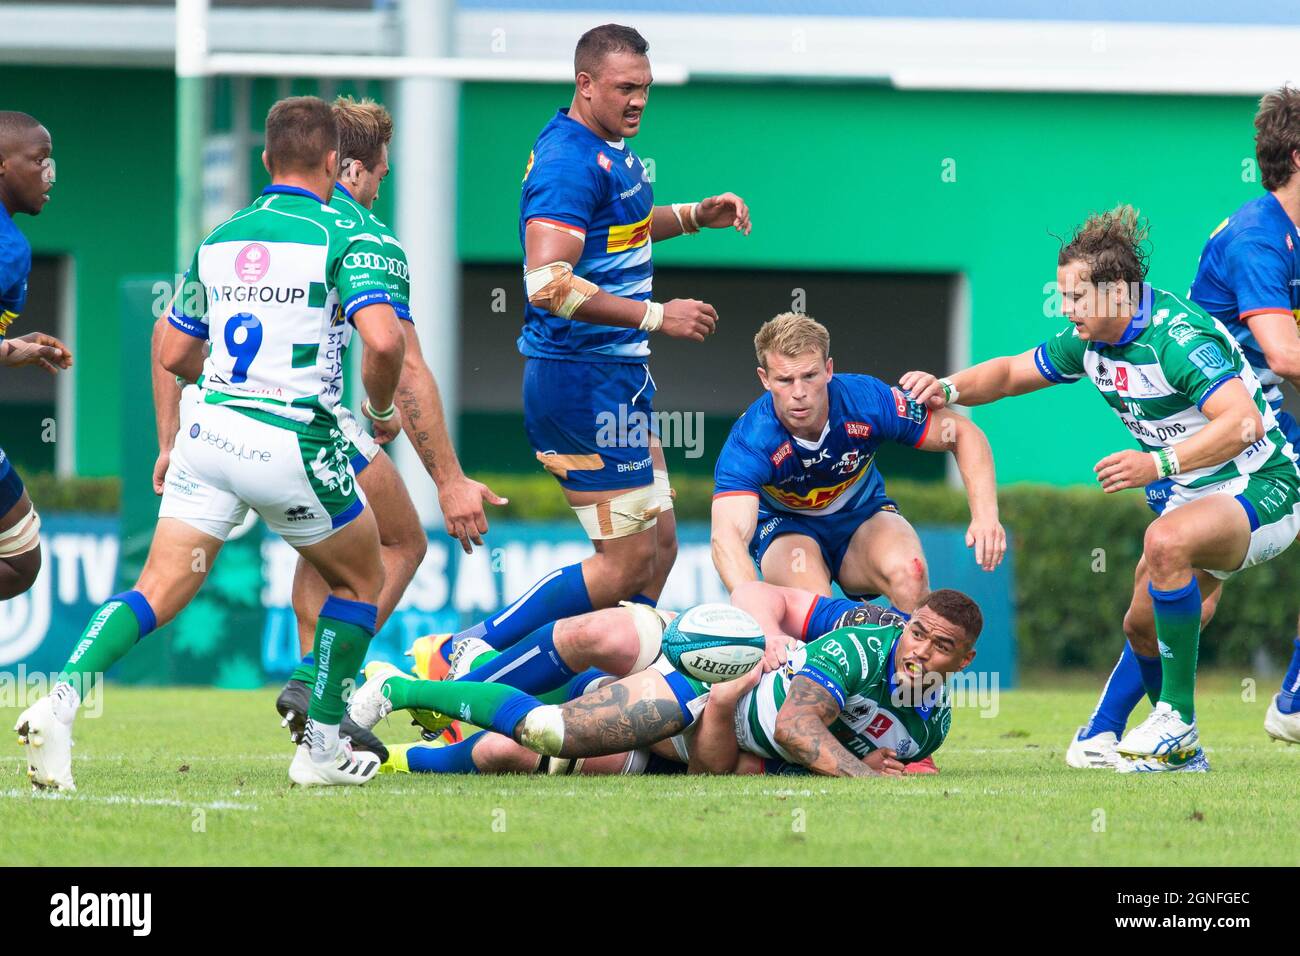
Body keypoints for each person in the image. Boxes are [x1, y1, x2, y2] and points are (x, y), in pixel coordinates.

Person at [16, 96, 404, 790]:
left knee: (156, 587)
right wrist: (379, 409)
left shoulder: (220, 236)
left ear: (264, 161)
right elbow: (384, 340)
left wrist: (218, 391)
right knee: (362, 576)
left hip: (207, 430)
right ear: (329, 163)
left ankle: (61, 701)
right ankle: (319, 749)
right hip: (290, 441)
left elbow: (169, 349)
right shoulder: (353, 234)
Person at [901, 205, 1300, 772]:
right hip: (1197, 492)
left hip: (1264, 485)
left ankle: (1177, 724)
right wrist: (946, 387)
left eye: (1075, 298)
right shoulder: (1089, 343)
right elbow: (1013, 373)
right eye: (1063, 298)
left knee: (1165, 543)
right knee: (1140, 623)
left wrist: (1157, 464)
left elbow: (1244, 424)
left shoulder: (1177, 338)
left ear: (1118, 293)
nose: (1066, 310)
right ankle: (1120, 733)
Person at [431, 23, 752, 672]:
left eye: (645, 89)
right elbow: (547, 284)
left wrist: (694, 215)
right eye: (625, 88)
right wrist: (659, 315)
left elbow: (620, 229)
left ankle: (600, 691)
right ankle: (477, 652)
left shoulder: (610, 147)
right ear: (584, 84)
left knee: (659, 546)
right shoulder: (566, 163)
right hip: (577, 382)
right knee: (625, 562)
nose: (638, 101)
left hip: (617, 379)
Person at [1067, 86, 1300, 761]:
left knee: (1177, 586)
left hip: (1253, 428)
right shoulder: (1261, 236)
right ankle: (1133, 726)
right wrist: (951, 391)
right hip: (1220, 433)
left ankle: (1138, 728)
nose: (1070, 307)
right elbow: (1282, 355)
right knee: (1163, 604)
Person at [348, 586, 981, 778]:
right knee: (553, 724)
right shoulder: (867, 644)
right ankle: (396, 687)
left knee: (503, 751)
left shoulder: (930, 726)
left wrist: (888, 764)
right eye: (916, 631)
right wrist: (867, 776)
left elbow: (742, 765)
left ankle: (398, 758)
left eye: (940, 646)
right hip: (702, 684)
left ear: (964, 662)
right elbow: (794, 725)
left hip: (707, 734)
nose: (918, 650)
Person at [710, 312, 1005, 620]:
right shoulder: (750, 442)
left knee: (910, 573)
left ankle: (904, 668)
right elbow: (726, 536)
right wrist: (755, 613)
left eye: (809, 376)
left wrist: (985, 517)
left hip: (862, 516)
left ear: (828, 370)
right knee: (817, 610)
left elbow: (962, 434)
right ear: (765, 379)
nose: (799, 393)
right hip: (787, 529)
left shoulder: (866, 401)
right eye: (785, 380)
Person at [0, 111, 73, 599]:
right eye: (40, 161)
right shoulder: (8, 247)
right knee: (21, 561)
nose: (50, 175)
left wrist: (11, 350)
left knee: (22, 557)